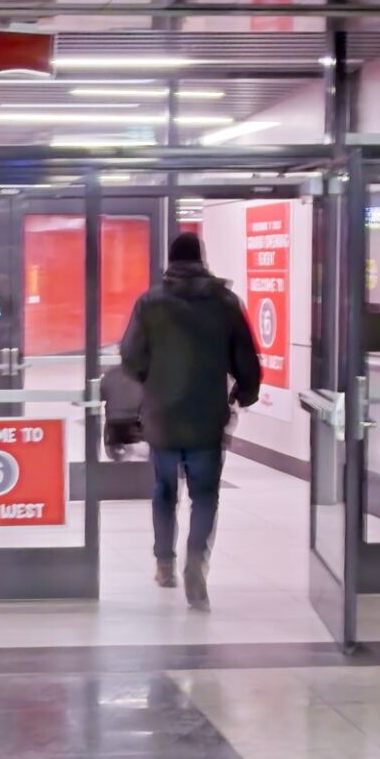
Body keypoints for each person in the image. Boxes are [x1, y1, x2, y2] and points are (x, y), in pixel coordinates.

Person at [119, 231, 262, 610]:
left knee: (164, 492)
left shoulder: (151, 303)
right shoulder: (225, 302)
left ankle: (164, 564)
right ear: (202, 258)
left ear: (170, 260)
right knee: (205, 496)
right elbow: (247, 358)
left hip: (162, 417)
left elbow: (130, 356)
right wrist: (245, 392)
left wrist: (153, 378)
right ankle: (196, 562)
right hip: (206, 417)